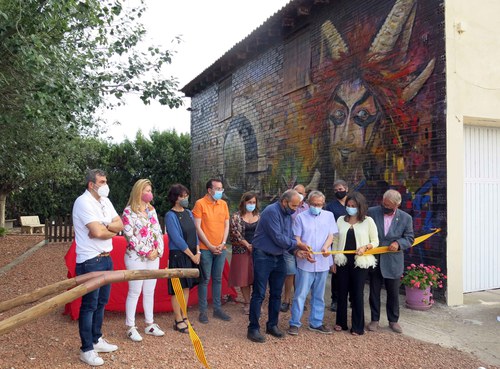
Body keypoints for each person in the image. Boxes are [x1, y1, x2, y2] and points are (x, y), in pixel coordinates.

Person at [72, 169, 124, 366]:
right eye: (102, 182)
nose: (105, 185)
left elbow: (119, 224)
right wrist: (106, 229)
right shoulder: (83, 202)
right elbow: (96, 232)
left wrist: (105, 229)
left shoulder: (105, 201)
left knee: (102, 302)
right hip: (90, 260)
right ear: (91, 185)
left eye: (106, 181)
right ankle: (86, 349)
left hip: (106, 258)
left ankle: (96, 339)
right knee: (90, 305)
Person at [247, 189, 312, 343]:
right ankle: (253, 328)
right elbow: (278, 238)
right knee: (259, 293)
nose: (295, 209)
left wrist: (296, 251)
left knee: (277, 293)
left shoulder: (288, 215)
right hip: (263, 255)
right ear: (284, 202)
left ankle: (272, 325)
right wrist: (299, 244)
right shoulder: (271, 212)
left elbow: (287, 238)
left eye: (297, 206)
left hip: (279, 256)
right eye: (294, 205)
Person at [287, 191, 337, 336]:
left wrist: (326, 247)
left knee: (319, 295)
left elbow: (331, 235)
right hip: (305, 261)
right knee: (300, 294)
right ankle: (295, 323)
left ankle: (316, 322)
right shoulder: (300, 217)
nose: (317, 207)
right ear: (308, 203)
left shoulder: (329, 216)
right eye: (314, 204)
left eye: (319, 204)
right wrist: (304, 248)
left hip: (322, 260)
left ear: (323, 203)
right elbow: (296, 238)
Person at [122, 179, 165, 342]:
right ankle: (130, 326)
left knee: (149, 290)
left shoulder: (152, 210)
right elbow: (129, 236)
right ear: (138, 192)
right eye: (146, 190)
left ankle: (150, 323)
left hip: (153, 256)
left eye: (150, 190)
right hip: (136, 257)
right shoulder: (128, 212)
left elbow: (158, 231)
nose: (149, 193)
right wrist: (146, 251)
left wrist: (158, 251)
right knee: (135, 291)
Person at [367, 189, 414, 334]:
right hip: (375, 259)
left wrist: (399, 243)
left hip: (393, 261)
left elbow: (410, 238)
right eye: (384, 203)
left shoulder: (406, 218)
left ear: (397, 205)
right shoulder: (372, 212)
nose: (385, 207)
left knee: (393, 293)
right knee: (374, 291)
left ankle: (393, 321)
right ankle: (374, 320)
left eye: (388, 205)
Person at [333, 191, 379, 336]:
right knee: (341, 292)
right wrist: (332, 261)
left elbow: (375, 241)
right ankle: (340, 322)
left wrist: (366, 247)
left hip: (360, 262)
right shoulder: (340, 219)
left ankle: (357, 326)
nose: (350, 207)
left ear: (360, 206)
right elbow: (335, 240)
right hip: (342, 261)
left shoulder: (368, 221)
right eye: (348, 205)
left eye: (353, 205)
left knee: (357, 293)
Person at [192, 178, 231, 324]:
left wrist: (222, 243)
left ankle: (217, 309)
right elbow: (198, 227)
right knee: (205, 279)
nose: (220, 191)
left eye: (221, 188)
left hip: (221, 248)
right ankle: (203, 311)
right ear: (209, 190)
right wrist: (209, 245)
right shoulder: (200, 203)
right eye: (218, 188)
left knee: (218, 279)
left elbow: (226, 225)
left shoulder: (224, 204)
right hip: (205, 248)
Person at [165, 184, 201, 333]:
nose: (185, 199)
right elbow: (176, 238)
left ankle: (184, 315)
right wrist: (192, 255)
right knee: (177, 288)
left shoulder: (189, 213)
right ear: (175, 198)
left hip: (192, 253)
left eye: (186, 196)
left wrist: (198, 251)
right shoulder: (170, 215)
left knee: (187, 287)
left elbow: (195, 233)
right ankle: (178, 318)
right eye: (182, 196)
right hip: (179, 254)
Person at [229, 192, 260, 315]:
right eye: (249, 202)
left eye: (253, 202)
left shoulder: (259, 216)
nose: (251, 204)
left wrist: (256, 246)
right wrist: (247, 245)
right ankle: (247, 302)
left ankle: (256, 302)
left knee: (257, 276)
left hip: (258, 250)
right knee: (244, 277)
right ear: (244, 202)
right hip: (241, 250)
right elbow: (235, 233)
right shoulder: (236, 216)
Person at [281, 184, 309, 313]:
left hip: (302, 245)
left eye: (302, 193)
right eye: (297, 192)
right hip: (289, 245)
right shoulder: (287, 207)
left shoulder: (307, 208)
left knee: (300, 274)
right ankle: (286, 300)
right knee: (290, 272)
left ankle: (298, 300)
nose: (299, 194)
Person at [325, 179, 349, 312]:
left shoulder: (352, 204)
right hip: (337, 241)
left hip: (352, 241)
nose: (338, 192)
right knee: (337, 272)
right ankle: (335, 299)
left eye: (340, 189)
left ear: (346, 189)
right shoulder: (330, 207)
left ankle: (350, 299)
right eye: (335, 190)